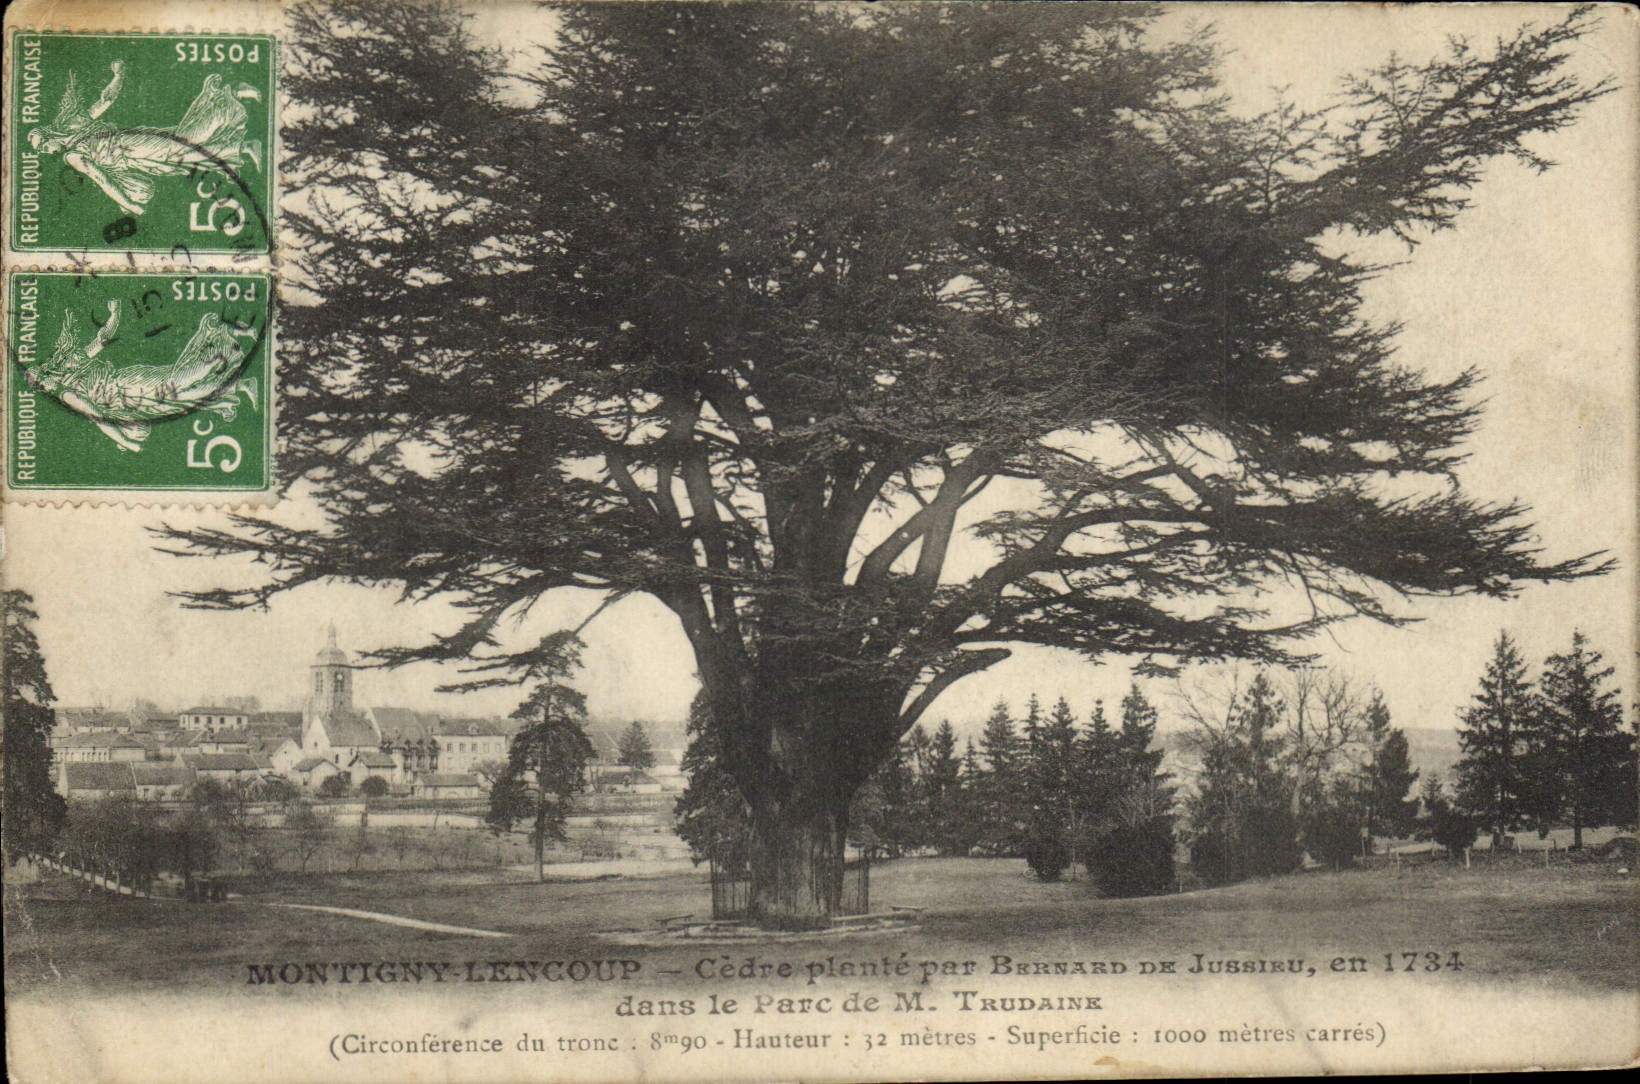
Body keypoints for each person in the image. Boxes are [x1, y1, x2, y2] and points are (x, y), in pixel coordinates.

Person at [29, 61, 263, 216]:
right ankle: (244, 145)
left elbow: (106, 102)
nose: (46, 151)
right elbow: (106, 176)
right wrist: (127, 201)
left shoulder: (73, 146)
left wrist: (118, 76)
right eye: (41, 152)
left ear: (49, 133)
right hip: (135, 156)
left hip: (129, 144)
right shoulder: (71, 148)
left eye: (43, 145)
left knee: (185, 141)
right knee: (185, 152)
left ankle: (232, 92)